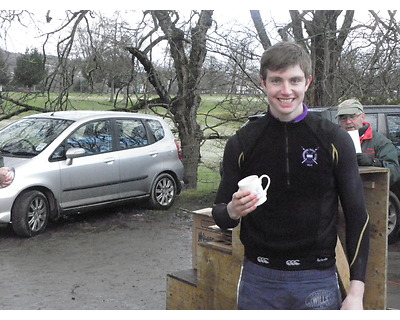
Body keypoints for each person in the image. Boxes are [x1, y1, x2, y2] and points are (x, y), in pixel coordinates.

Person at [212, 42, 369, 310]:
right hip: (258, 279)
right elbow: (220, 216)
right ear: (263, 83)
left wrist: (356, 293)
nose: (286, 91)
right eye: (277, 80)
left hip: (316, 279)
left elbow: (358, 217)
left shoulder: (334, 139)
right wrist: (233, 210)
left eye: (294, 80)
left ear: (308, 82)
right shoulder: (243, 142)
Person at [336, 98, 400, 186]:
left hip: (371, 193)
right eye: (343, 118)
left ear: (362, 117)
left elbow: (395, 173)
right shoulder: (333, 141)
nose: (348, 121)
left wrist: (373, 162)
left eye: (352, 116)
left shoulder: (380, 142)